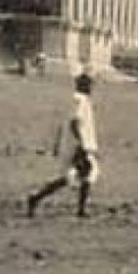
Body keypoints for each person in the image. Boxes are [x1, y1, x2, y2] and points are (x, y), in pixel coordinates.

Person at [26, 72, 100, 218]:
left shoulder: (72, 100)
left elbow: (63, 125)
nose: (91, 88)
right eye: (89, 85)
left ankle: (38, 198)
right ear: (84, 86)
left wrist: (57, 144)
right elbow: (75, 123)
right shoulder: (82, 101)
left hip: (68, 144)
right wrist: (82, 145)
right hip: (77, 145)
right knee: (84, 174)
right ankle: (37, 198)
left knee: (75, 176)